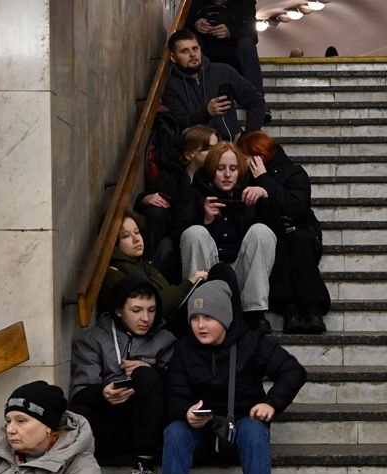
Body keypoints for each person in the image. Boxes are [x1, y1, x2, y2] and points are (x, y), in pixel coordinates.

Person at [160, 281, 307, 474]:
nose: (200, 325)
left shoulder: (251, 342)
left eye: (209, 317)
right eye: (195, 318)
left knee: (254, 428)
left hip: (240, 429)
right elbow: (174, 395)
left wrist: (271, 404)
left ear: (225, 318)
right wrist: (186, 412)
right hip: (202, 431)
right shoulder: (183, 349)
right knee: (175, 431)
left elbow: (293, 371)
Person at [71, 276, 177, 474]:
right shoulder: (95, 339)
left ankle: (144, 468)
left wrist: (152, 371)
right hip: (112, 423)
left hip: (153, 425)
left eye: (151, 310)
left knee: (145, 375)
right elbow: (78, 392)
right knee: (77, 413)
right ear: (119, 310)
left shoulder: (166, 339)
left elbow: (181, 387)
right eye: (136, 310)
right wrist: (103, 394)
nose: (145, 318)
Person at [178, 143, 279, 333]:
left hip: (242, 274)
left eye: (233, 169)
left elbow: (276, 231)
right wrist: (204, 219)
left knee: (261, 231)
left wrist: (265, 193)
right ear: (210, 170)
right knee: (195, 232)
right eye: (220, 168)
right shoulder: (194, 193)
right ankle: (198, 306)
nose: (227, 175)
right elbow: (178, 235)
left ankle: (254, 311)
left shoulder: (251, 191)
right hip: (208, 271)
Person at [237, 130, 330, 334]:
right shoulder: (245, 180)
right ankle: (289, 309)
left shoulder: (295, 173)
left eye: (244, 159)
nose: (241, 164)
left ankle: (312, 308)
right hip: (272, 234)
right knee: (277, 241)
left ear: (257, 157)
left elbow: (297, 208)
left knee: (297, 238)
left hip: (303, 233)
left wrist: (265, 183)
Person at [139, 124, 221, 271]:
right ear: (192, 153)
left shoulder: (217, 179)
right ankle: (148, 266)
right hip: (172, 236)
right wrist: (146, 198)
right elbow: (146, 198)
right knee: (155, 212)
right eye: (209, 148)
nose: (216, 153)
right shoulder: (170, 174)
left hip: (202, 240)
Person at [99, 212, 206, 323]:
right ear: (113, 243)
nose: (136, 239)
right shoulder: (112, 273)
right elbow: (150, 311)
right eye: (126, 236)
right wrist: (188, 284)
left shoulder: (142, 265)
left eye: (137, 232)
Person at [161, 30, 266, 142]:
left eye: (195, 48)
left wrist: (248, 135)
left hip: (230, 145)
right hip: (198, 149)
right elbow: (180, 124)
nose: (192, 54)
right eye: (184, 51)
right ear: (173, 57)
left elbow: (256, 101)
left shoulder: (223, 71)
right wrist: (206, 112)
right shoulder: (170, 86)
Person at [184, 0, 265, 107]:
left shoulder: (245, 2)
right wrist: (195, 25)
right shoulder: (194, 2)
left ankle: (257, 101)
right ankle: (195, 98)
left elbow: (252, 35)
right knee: (190, 42)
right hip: (205, 52)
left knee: (247, 44)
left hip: (233, 53)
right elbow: (182, 30)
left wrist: (230, 32)